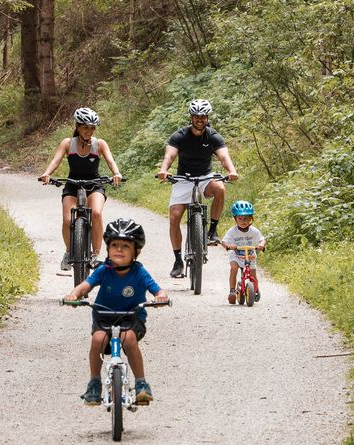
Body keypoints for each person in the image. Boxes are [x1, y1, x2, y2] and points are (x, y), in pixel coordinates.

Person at [65, 215, 159, 406]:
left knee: (128, 339)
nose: (119, 250)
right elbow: (85, 285)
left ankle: (141, 384)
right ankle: (94, 383)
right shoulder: (103, 270)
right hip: (104, 317)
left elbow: (157, 289)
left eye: (126, 246)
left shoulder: (139, 272)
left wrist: (160, 297)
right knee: (98, 339)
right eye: (115, 245)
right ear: (107, 248)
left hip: (132, 319)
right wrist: (74, 294)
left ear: (136, 252)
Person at [155, 97, 239, 279]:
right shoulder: (180, 135)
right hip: (183, 179)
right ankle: (178, 261)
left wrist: (232, 171)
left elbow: (224, 158)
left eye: (203, 116)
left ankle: (212, 231)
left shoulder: (213, 136)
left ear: (207, 118)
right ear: (191, 117)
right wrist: (163, 170)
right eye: (196, 116)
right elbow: (169, 156)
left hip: (205, 178)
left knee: (221, 189)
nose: (200, 119)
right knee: (174, 218)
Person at [39, 107, 123, 270]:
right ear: (77, 127)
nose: (89, 131)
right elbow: (56, 160)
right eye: (85, 127)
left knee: (97, 213)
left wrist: (116, 173)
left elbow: (110, 161)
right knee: (68, 220)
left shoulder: (99, 144)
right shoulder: (68, 143)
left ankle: (95, 254)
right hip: (72, 184)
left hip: (94, 184)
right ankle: (70, 252)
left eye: (92, 128)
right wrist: (47, 173)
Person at [222, 201, 265, 303]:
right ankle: (232, 291)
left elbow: (262, 239)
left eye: (246, 218)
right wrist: (228, 246)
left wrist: (261, 245)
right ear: (235, 219)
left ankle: (255, 290)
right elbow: (224, 241)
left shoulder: (254, 231)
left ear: (251, 218)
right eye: (239, 218)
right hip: (236, 255)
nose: (243, 221)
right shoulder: (233, 231)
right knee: (233, 268)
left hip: (250, 256)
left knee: (253, 276)